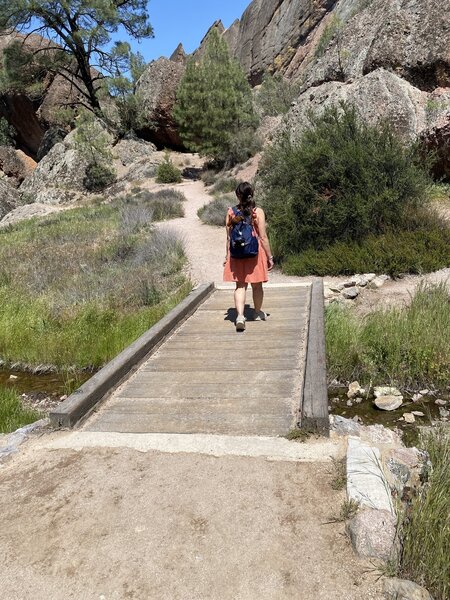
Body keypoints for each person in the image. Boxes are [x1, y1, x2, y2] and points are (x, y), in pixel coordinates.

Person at [223, 182, 274, 331]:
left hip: (237, 254)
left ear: (238, 195)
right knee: (257, 285)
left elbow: (228, 238)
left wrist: (227, 256)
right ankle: (257, 313)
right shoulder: (257, 212)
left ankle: (240, 316)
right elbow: (263, 237)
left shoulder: (231, 212)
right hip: (254, 253)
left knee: (240, 285)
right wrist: (270, 257)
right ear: (251, 194)